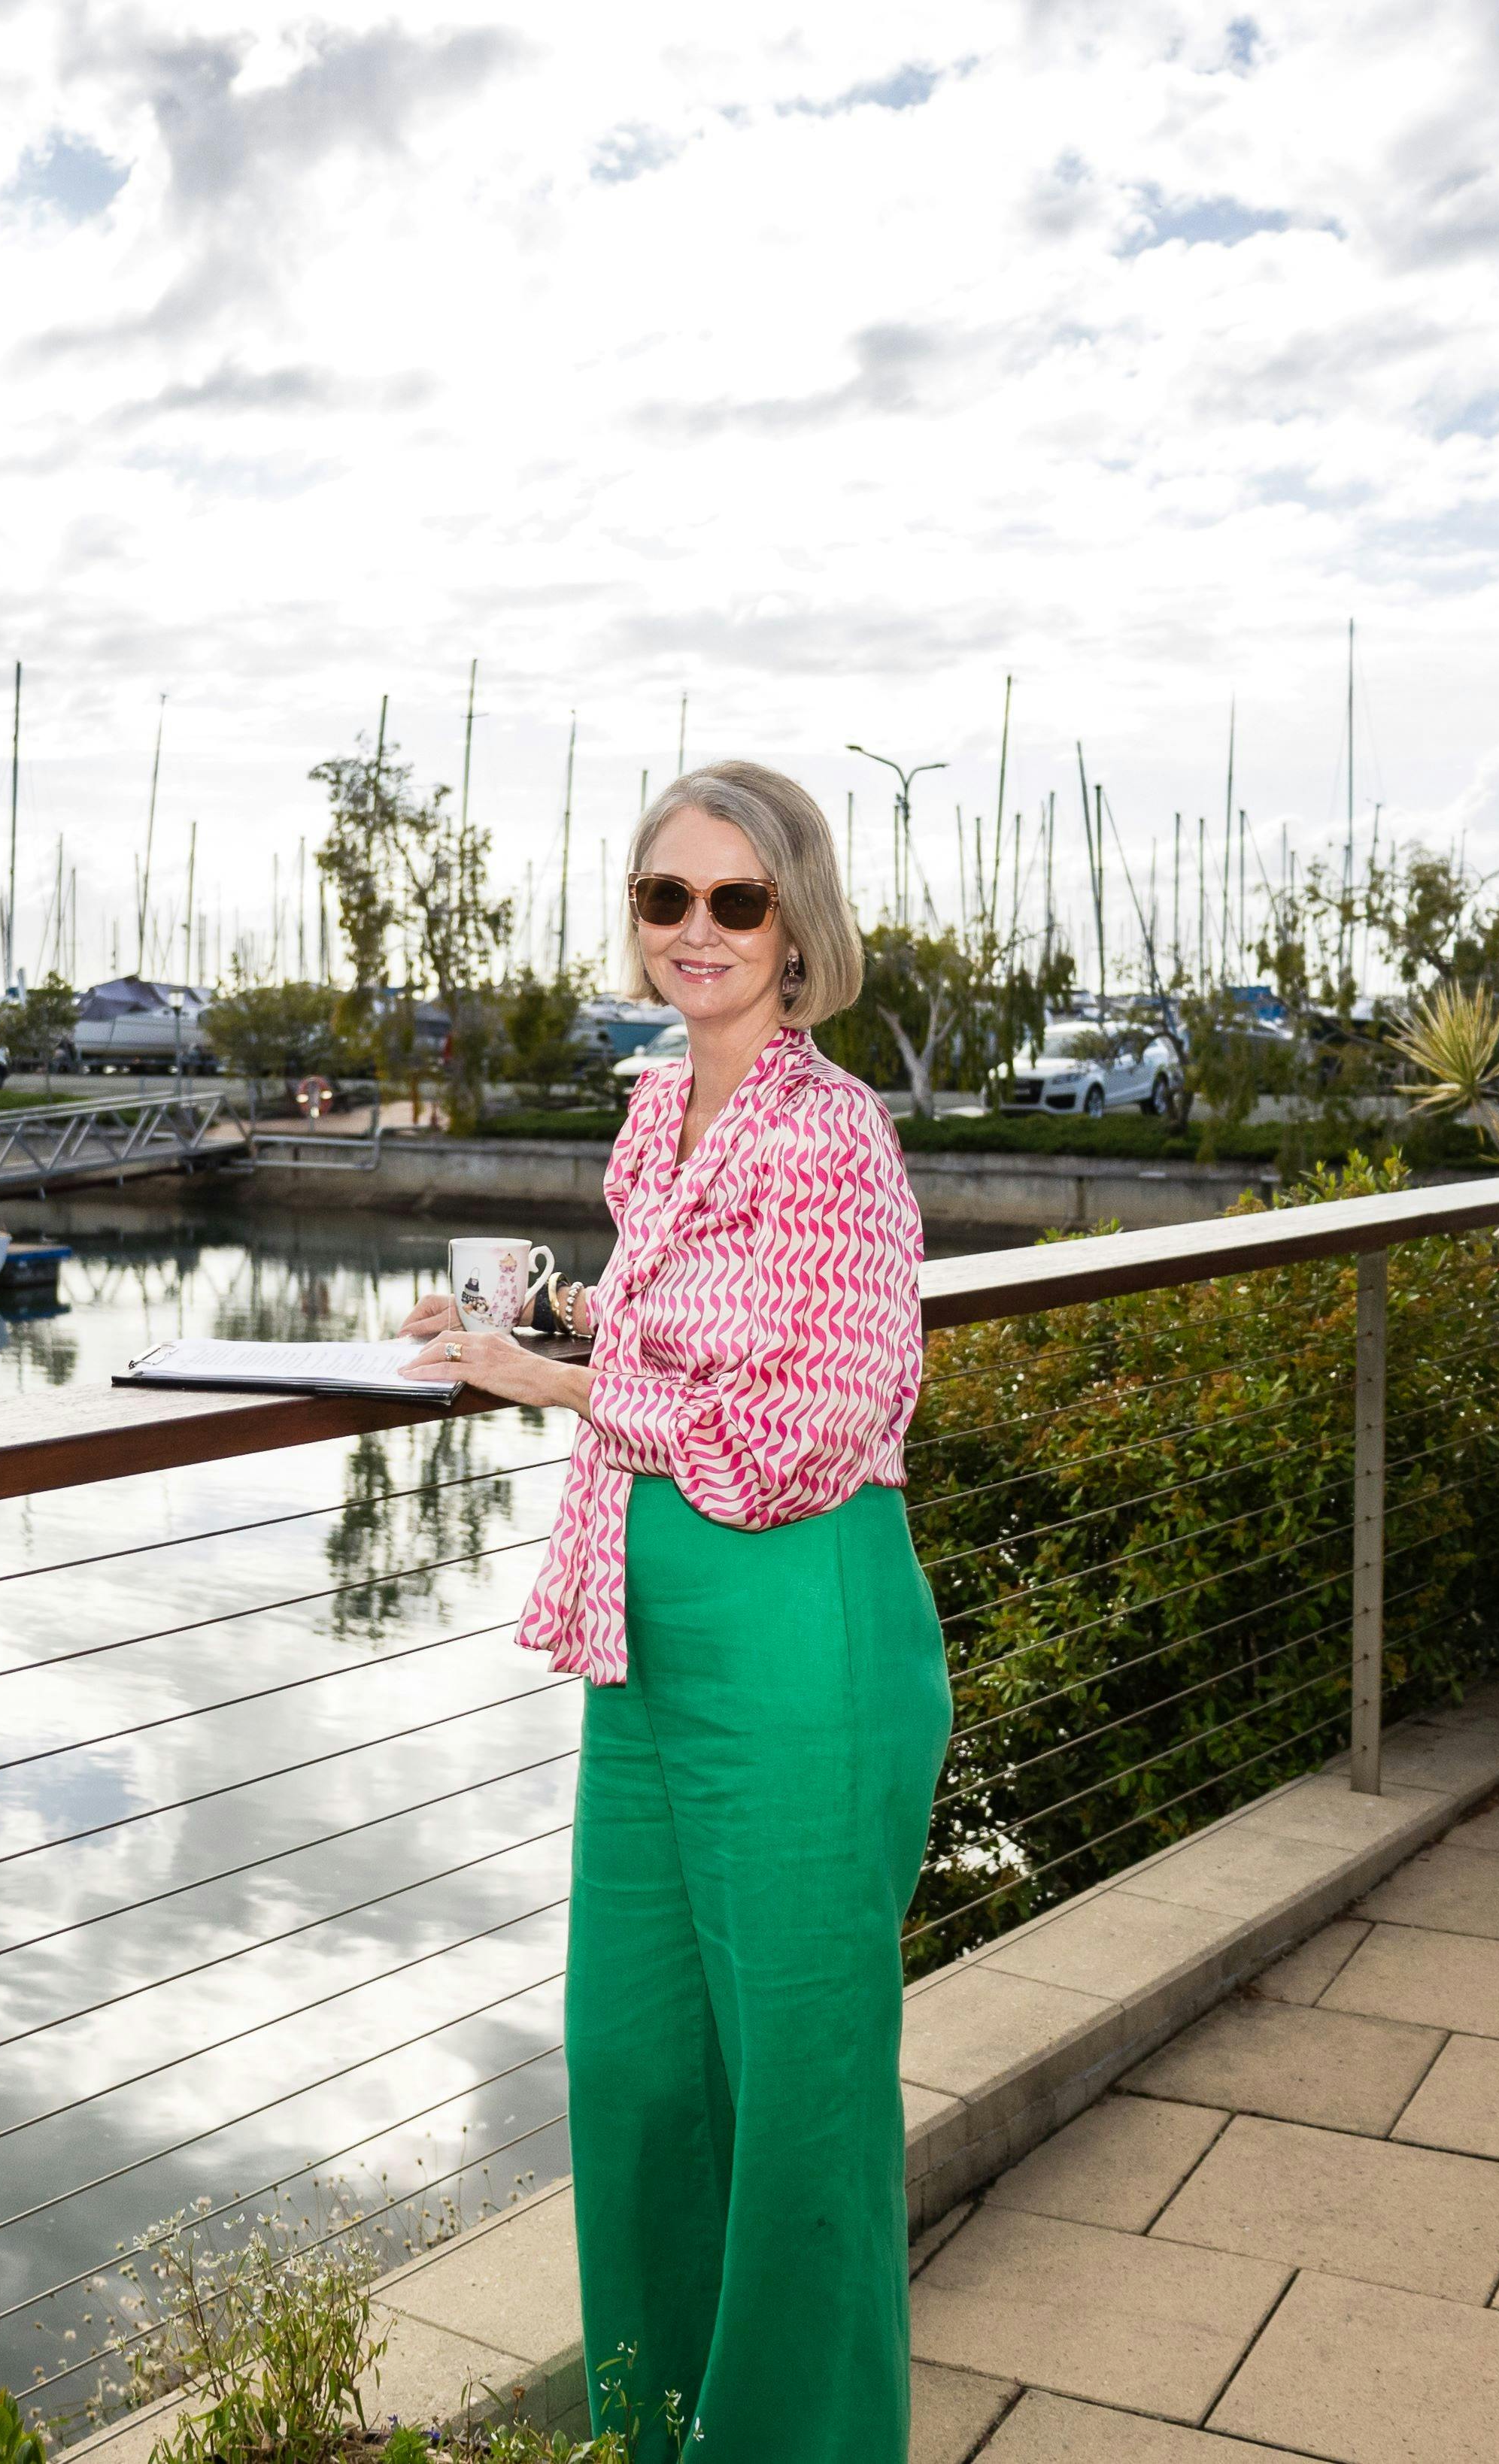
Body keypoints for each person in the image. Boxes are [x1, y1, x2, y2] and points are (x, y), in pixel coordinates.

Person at [399, 759, 941, 2459]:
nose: (694, 931)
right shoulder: (662, 1111)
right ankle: (661, 2434)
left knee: (797, 2110)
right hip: (645, 1625)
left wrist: (555, 1389)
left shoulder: (831, 1132)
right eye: (664, 898)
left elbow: (795, 1429)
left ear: (795, 926)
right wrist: (540, 1314)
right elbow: (688, 1327)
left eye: (733, 900)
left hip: (798, 1620)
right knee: (637, 2074)